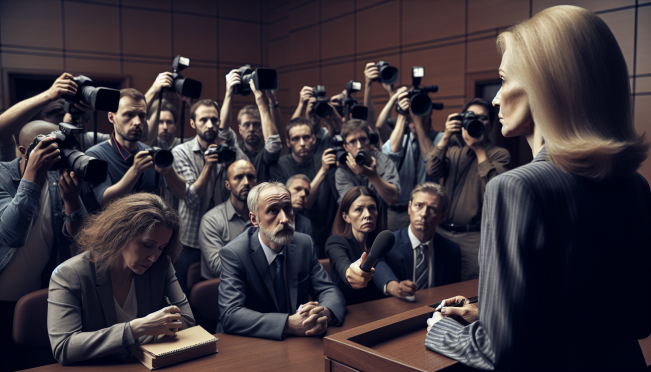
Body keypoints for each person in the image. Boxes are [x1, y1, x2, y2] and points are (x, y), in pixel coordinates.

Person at [425, 6, 651, 371]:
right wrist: (494, 313)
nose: (495, 99)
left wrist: (441, 330)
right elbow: (639, 319)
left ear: (544, 86)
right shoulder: (637, 187)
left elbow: (496, 351)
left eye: (502, 80)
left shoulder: (515, 188)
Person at [47, 193, 194, 365]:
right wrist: (137, 328)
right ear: (121, 234)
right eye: (148, 245)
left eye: (162, 248)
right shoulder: (69, 275)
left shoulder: (161, 265)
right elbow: (64, 347)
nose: (154, 257)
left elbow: (187, 320)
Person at [0, 121, 86, 372]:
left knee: (30, 365)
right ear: (23, 149)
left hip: (36, 296)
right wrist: (32, 175)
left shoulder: (57, 178)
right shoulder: (4, 175)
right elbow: (11, 234)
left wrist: (72, 202)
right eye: (45, 146)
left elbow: (79, 241)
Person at [218, 182, 345, 340]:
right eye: (273, 211)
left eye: (287, 208)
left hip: (300, 341)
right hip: (252, 344)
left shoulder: (304, 243)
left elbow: (329, 291)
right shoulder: (234, 253)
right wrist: (288, 324)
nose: (285, 219)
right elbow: (230, 314)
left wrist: (323, 314)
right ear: (254, 219)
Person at [422, 97, 510, 281]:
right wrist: (446, 135)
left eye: (483, 118)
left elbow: (495, 188)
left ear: (491, 124)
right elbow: (432, 169)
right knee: (439, 282)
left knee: (469, 287)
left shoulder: (499, 155)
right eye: (472, 116)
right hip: (441, 232)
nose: (477, 121)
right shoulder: (453, 152)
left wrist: (479, 150)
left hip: (473, 237)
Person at [171, 95, 246, 295]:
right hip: (190, 242)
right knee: (186, 294)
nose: (210, 125)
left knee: (220, 293)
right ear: (193, 123)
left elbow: (248, 176)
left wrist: (230, 150)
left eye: (214, 119)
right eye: (204, 120)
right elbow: (192, 199)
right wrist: (209, 165)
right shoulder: (181, 152)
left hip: (224, 237)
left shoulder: (228, 150)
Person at [85, 88, 186, 208]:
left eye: (142, 116)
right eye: (129, 114)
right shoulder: (95, 155)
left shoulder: (149, 153)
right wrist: (135, 171)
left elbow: (182, 193)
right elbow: (105, 201)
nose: (137, 122)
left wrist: (169, 171)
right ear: (112, 117)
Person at [374, 183, 460, 300]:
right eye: (419, 205)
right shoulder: (389, 243)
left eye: (432, 209)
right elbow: (377, 265)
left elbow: (453, 292)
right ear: (409, 208)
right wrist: (393, 286)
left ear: (442, 216)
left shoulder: (452, 251)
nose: (424, 214)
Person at [269, 118, 338, 258]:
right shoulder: (280, 166)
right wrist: (323, 171)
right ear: (288, 142)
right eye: (296, 139)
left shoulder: (324, 161)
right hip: (291, 233)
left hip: (325, 233)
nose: (302, 143)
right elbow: (303, 203)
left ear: (313, 138)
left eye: (306, 137)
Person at [381, 90, 443, 230]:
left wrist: (418, 121)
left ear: (430, 112)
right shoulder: (401, 139)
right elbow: (389, 154)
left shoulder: (440, 138)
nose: (415, 116)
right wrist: (402, 113)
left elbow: (430, 163)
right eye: (413, 111)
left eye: (420, 110)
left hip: (426, 211)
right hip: (397, 211)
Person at [335, 119, 400, 231]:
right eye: (353, 142)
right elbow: (354, 206)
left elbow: (392, 198)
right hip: (354, 231)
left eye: (363, 139)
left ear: (369, 141)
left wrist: (372, 175)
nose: (359, 145)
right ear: (346, 147)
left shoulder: (383, 161)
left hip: (381, 227)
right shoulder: (342, 171)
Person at [219, 69, 282, 183]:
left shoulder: (264, 154)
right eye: (246, 125)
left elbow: (274, 141)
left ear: (263, 128)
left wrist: (263, 101)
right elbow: (222, 132)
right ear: (240, 129)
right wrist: (228, 94)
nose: (251, 129)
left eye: (257, 125)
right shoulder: (235, 150)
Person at [325, 186, 385, 305]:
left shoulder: (378, 242)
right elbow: (342, 263)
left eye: (372, 208)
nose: (367, 214)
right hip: (349, 311)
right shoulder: (336, 241)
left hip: (378, 308)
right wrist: (351, 272)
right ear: (346, 217)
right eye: (359, 209)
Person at [199, 159, 256, 280]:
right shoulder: (211, 220)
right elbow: (217, 267)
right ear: (228, 185)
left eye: (251, 177)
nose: (246, 182)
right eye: (238, 177)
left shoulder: (264, 216)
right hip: (221, 290)